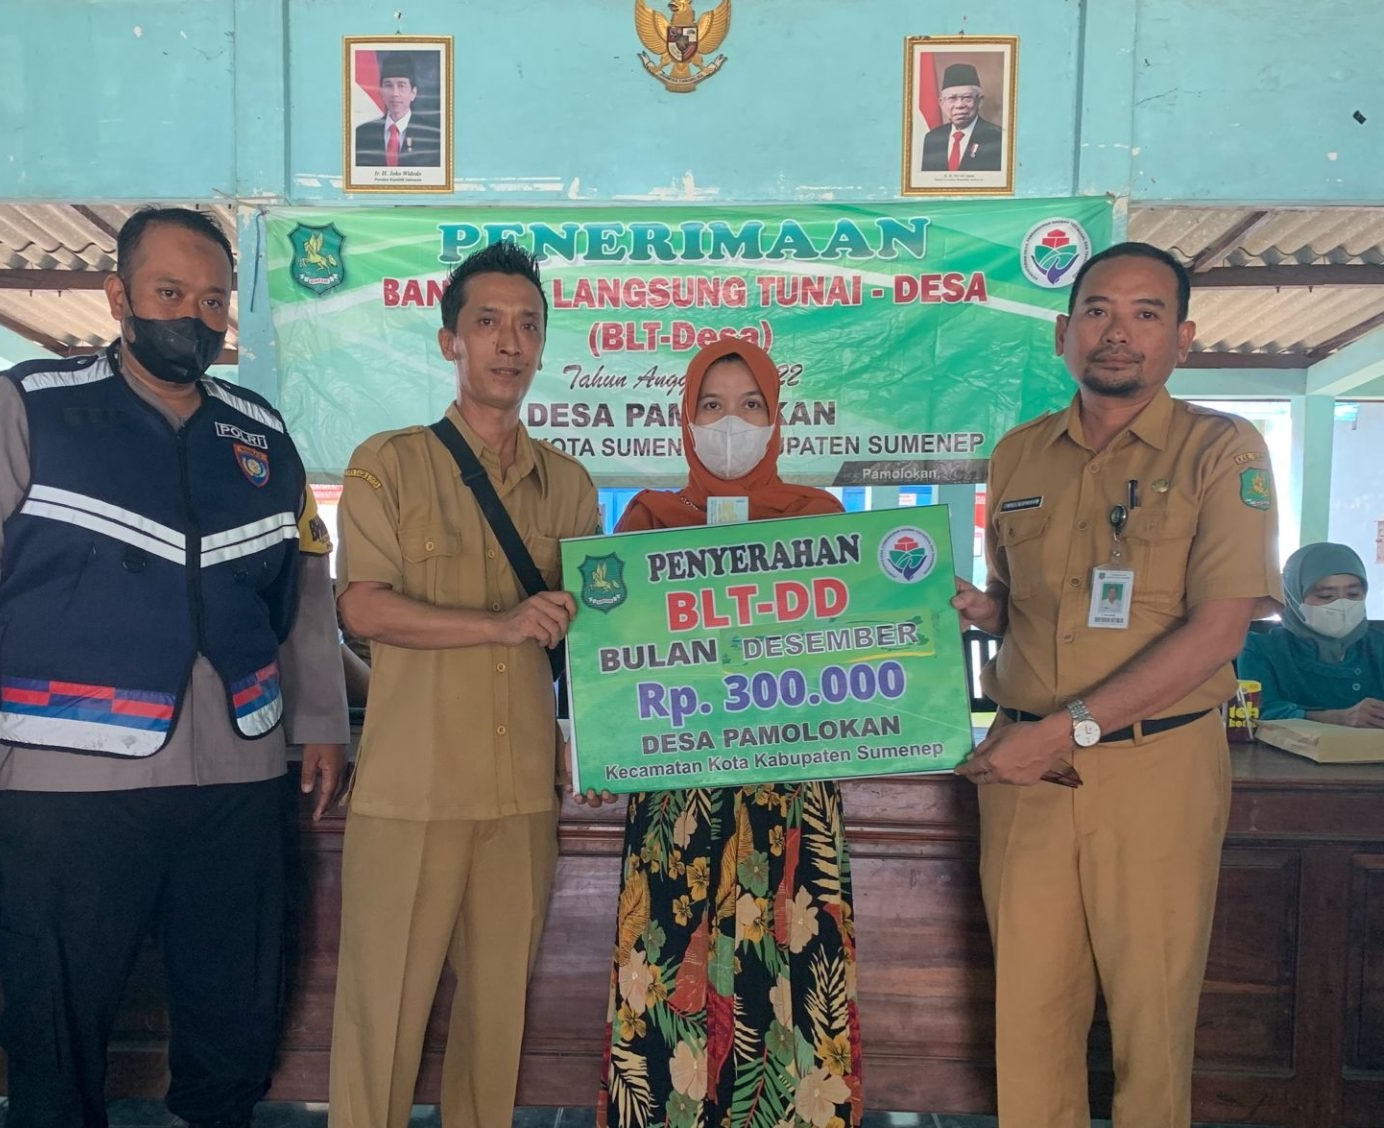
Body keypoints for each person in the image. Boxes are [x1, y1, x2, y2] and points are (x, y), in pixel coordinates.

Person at [0, 206, 350, 1128]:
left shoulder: (258, 432)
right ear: (118, 296)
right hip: (72, 784)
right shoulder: (32, 404)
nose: (195, 317)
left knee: (234, 1018)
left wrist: (320, 725)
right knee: (56, 1024)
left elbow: (302, 585)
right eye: (170, 292)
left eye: (213, 300)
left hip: (238, 781)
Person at [950, 241, 1282, 1127]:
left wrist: (1060, 732)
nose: (1118, 332)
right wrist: (976, 609)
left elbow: (1219, 630)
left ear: (1184, 338)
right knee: (1029, 1025)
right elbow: (1026, 610)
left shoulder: (1222, 450)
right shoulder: (1020, 455)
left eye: (1146, 313)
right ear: (1063, 333)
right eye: (1098, 310)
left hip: (1154, 769)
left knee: (1152, 1023)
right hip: (1027, 777)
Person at [328, 240, 599, 1128]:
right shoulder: (388, 464)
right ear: (451, 341)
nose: (509, 343)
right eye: (488, 323)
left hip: (520, 800)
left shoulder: (570, 486)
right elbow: (362, 607)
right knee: (379, 1028)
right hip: (411, 794)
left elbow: (594, 640)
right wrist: (499, 625)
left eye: (528, 326)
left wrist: (594, 738)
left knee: (495, 1031)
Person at [594, 339, 862, 1128]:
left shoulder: (820, 520)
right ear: (685, 420)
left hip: (790, 805)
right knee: (668, 986)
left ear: (777, 420)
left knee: (793, 994)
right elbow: (615, 664)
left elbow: (854, 652)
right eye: (711, 406)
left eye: (750, 406)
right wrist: (600, 739)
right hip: (677, 803)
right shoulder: (649, 522)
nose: (731, 425)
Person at [1238, 542, 1384, 726]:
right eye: (1326, 596)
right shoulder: (1261, 649)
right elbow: (1257, 712)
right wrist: (1338, 718)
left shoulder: (1379, 645)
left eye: (1353, 594)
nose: (1343, 605)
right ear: (1293, 596)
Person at [352, 52, 442, 167]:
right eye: (388, 85)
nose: (395, 93)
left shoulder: (432, 135)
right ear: (381, 92)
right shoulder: (362, 134)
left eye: (401, 85)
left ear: (413, 93)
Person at [920, 62, 1004, 172]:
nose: (959, 105)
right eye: (952, 98)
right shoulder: (932, 139)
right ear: (941, 103)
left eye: (967, 97)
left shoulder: (997, 137)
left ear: (979, 101)